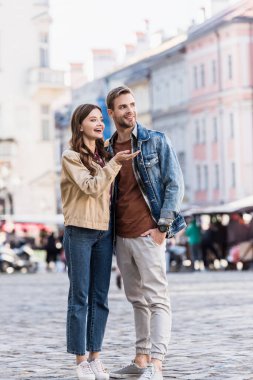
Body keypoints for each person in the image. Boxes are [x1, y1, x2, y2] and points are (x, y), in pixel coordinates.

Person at [105, 86, 186, 380]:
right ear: (111, 113)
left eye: (132, 105)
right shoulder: (107, 149)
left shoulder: (156, 141)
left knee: (157, 298)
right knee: (136, 299)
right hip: (121, 237)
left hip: (148, 234)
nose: (130, 111)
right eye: (123, 107)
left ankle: (157, 363)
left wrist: (162, 227)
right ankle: (140, 359)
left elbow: (174, 185)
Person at [61, 103, 139, 380]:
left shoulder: (104, 156)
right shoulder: (71, 157)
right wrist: (115, 164)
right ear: (79, 124)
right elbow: (91, 187)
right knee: (80, 297)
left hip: (104, 232)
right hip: (80, 231)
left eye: (100, 119)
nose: (99, 123)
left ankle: (96, 356)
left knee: (100, 298)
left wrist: (112, 161)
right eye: (92, 119)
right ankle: (81, 359)